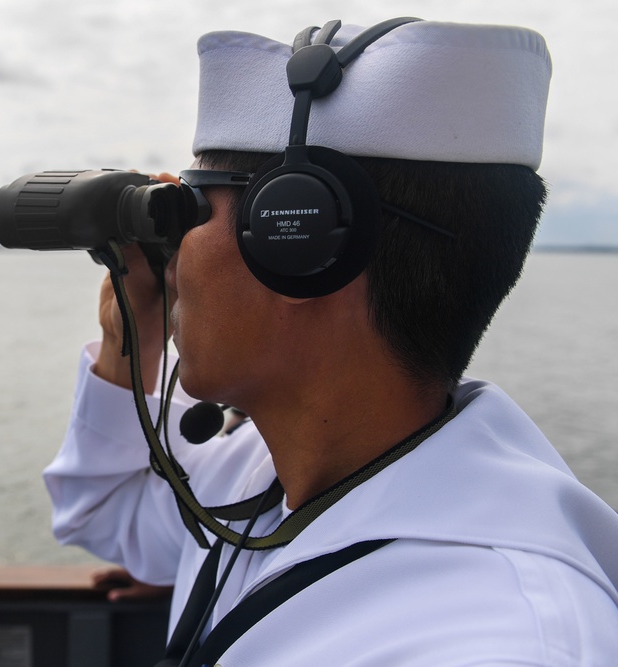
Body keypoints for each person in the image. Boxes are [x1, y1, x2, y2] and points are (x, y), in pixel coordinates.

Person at [42, 18, 618, 666]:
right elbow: (107, 510)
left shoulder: (502, 640)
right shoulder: (267, 473)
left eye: (193, 209)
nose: (171, 255)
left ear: (299, 241)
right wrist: (130, 331)